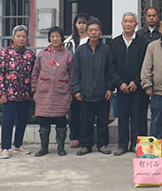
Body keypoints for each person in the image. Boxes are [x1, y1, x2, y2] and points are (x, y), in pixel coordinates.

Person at [109, 12, 149, 156]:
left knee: (139, 116)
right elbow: (111, 66)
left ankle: (136, 144)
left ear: (136, 24)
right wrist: (119, 83)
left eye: (131, 21)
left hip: (138, 87)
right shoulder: (115, 43)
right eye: (125, 21)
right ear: (121, 24)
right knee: (123, 117)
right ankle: (122, 144)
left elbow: (146, 65)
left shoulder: (143, 43)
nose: (128, 24)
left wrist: (136, 81)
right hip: (122, 88)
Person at [72, 17, 113, 155]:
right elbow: (76, 72)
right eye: (91, 30)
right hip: (85, 93)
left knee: (103, 121)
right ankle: (86, 145)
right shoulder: (80, 50)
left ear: (100, 32)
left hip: (103, 92)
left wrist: (110, 88)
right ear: (87, 32)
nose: (94, 33)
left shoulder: (107, 50)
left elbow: (110, 71)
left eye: (96, 30)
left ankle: (102, 144)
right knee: (86, 122)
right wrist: (76, 89)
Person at [0, 25, 36, 159]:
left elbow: (34, 74)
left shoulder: (30, 55)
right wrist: (1, 93)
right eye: (18, 36)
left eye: (23, 36)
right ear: (13, 38)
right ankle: (5, 147)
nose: (21, 39)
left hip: (25, 94)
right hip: (9, 94)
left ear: (27, 38)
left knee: (22, 120)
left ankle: (18, 144)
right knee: (8, 121)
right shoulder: (5, 53)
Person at [31, 26, 74, 156]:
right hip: (43, 93)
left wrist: (71, 92)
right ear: (49, 38)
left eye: (58, 36)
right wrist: (34, 91)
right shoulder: (42, 54)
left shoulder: (68, 55)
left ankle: (61, 147)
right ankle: (44, 148)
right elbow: (35, 73)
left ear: (62, 38)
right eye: (52, 36)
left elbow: (72, 75)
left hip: (62, 94)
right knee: (44, 122)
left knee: (61, 122)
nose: (55, 39)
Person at [63, 12, 89, 148]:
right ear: (75, 24)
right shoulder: (69, 42)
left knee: (86, 112)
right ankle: (74, 137)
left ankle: (85, 137)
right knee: (74, 112)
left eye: (84, 23)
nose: (82, 26)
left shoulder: (91, 40)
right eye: (79, 23)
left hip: (88, 81)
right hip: (73, 81)